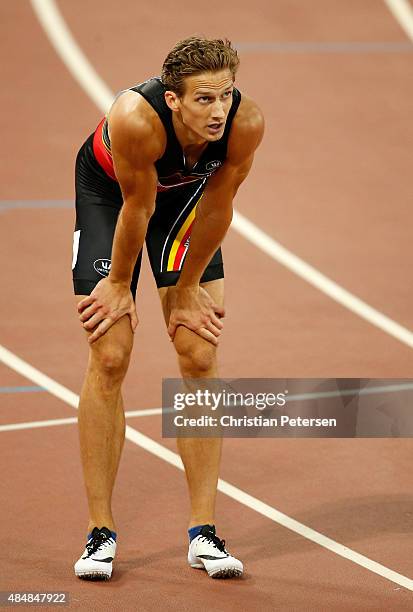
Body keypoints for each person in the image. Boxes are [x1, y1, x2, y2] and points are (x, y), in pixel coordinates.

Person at [72, 36, 264, 581]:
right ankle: (99, 532)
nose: (219, 110)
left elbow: (221, 204)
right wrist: (116, 283)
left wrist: (186, 287)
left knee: (199, 354)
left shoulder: (244, 122)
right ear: (173, 100)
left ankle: (203, 531)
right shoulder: (137, 119)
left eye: (225, 95)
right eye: (204, 99)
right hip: (115, 197)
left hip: (186, 205)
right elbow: (138, 207)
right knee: (110, 354)